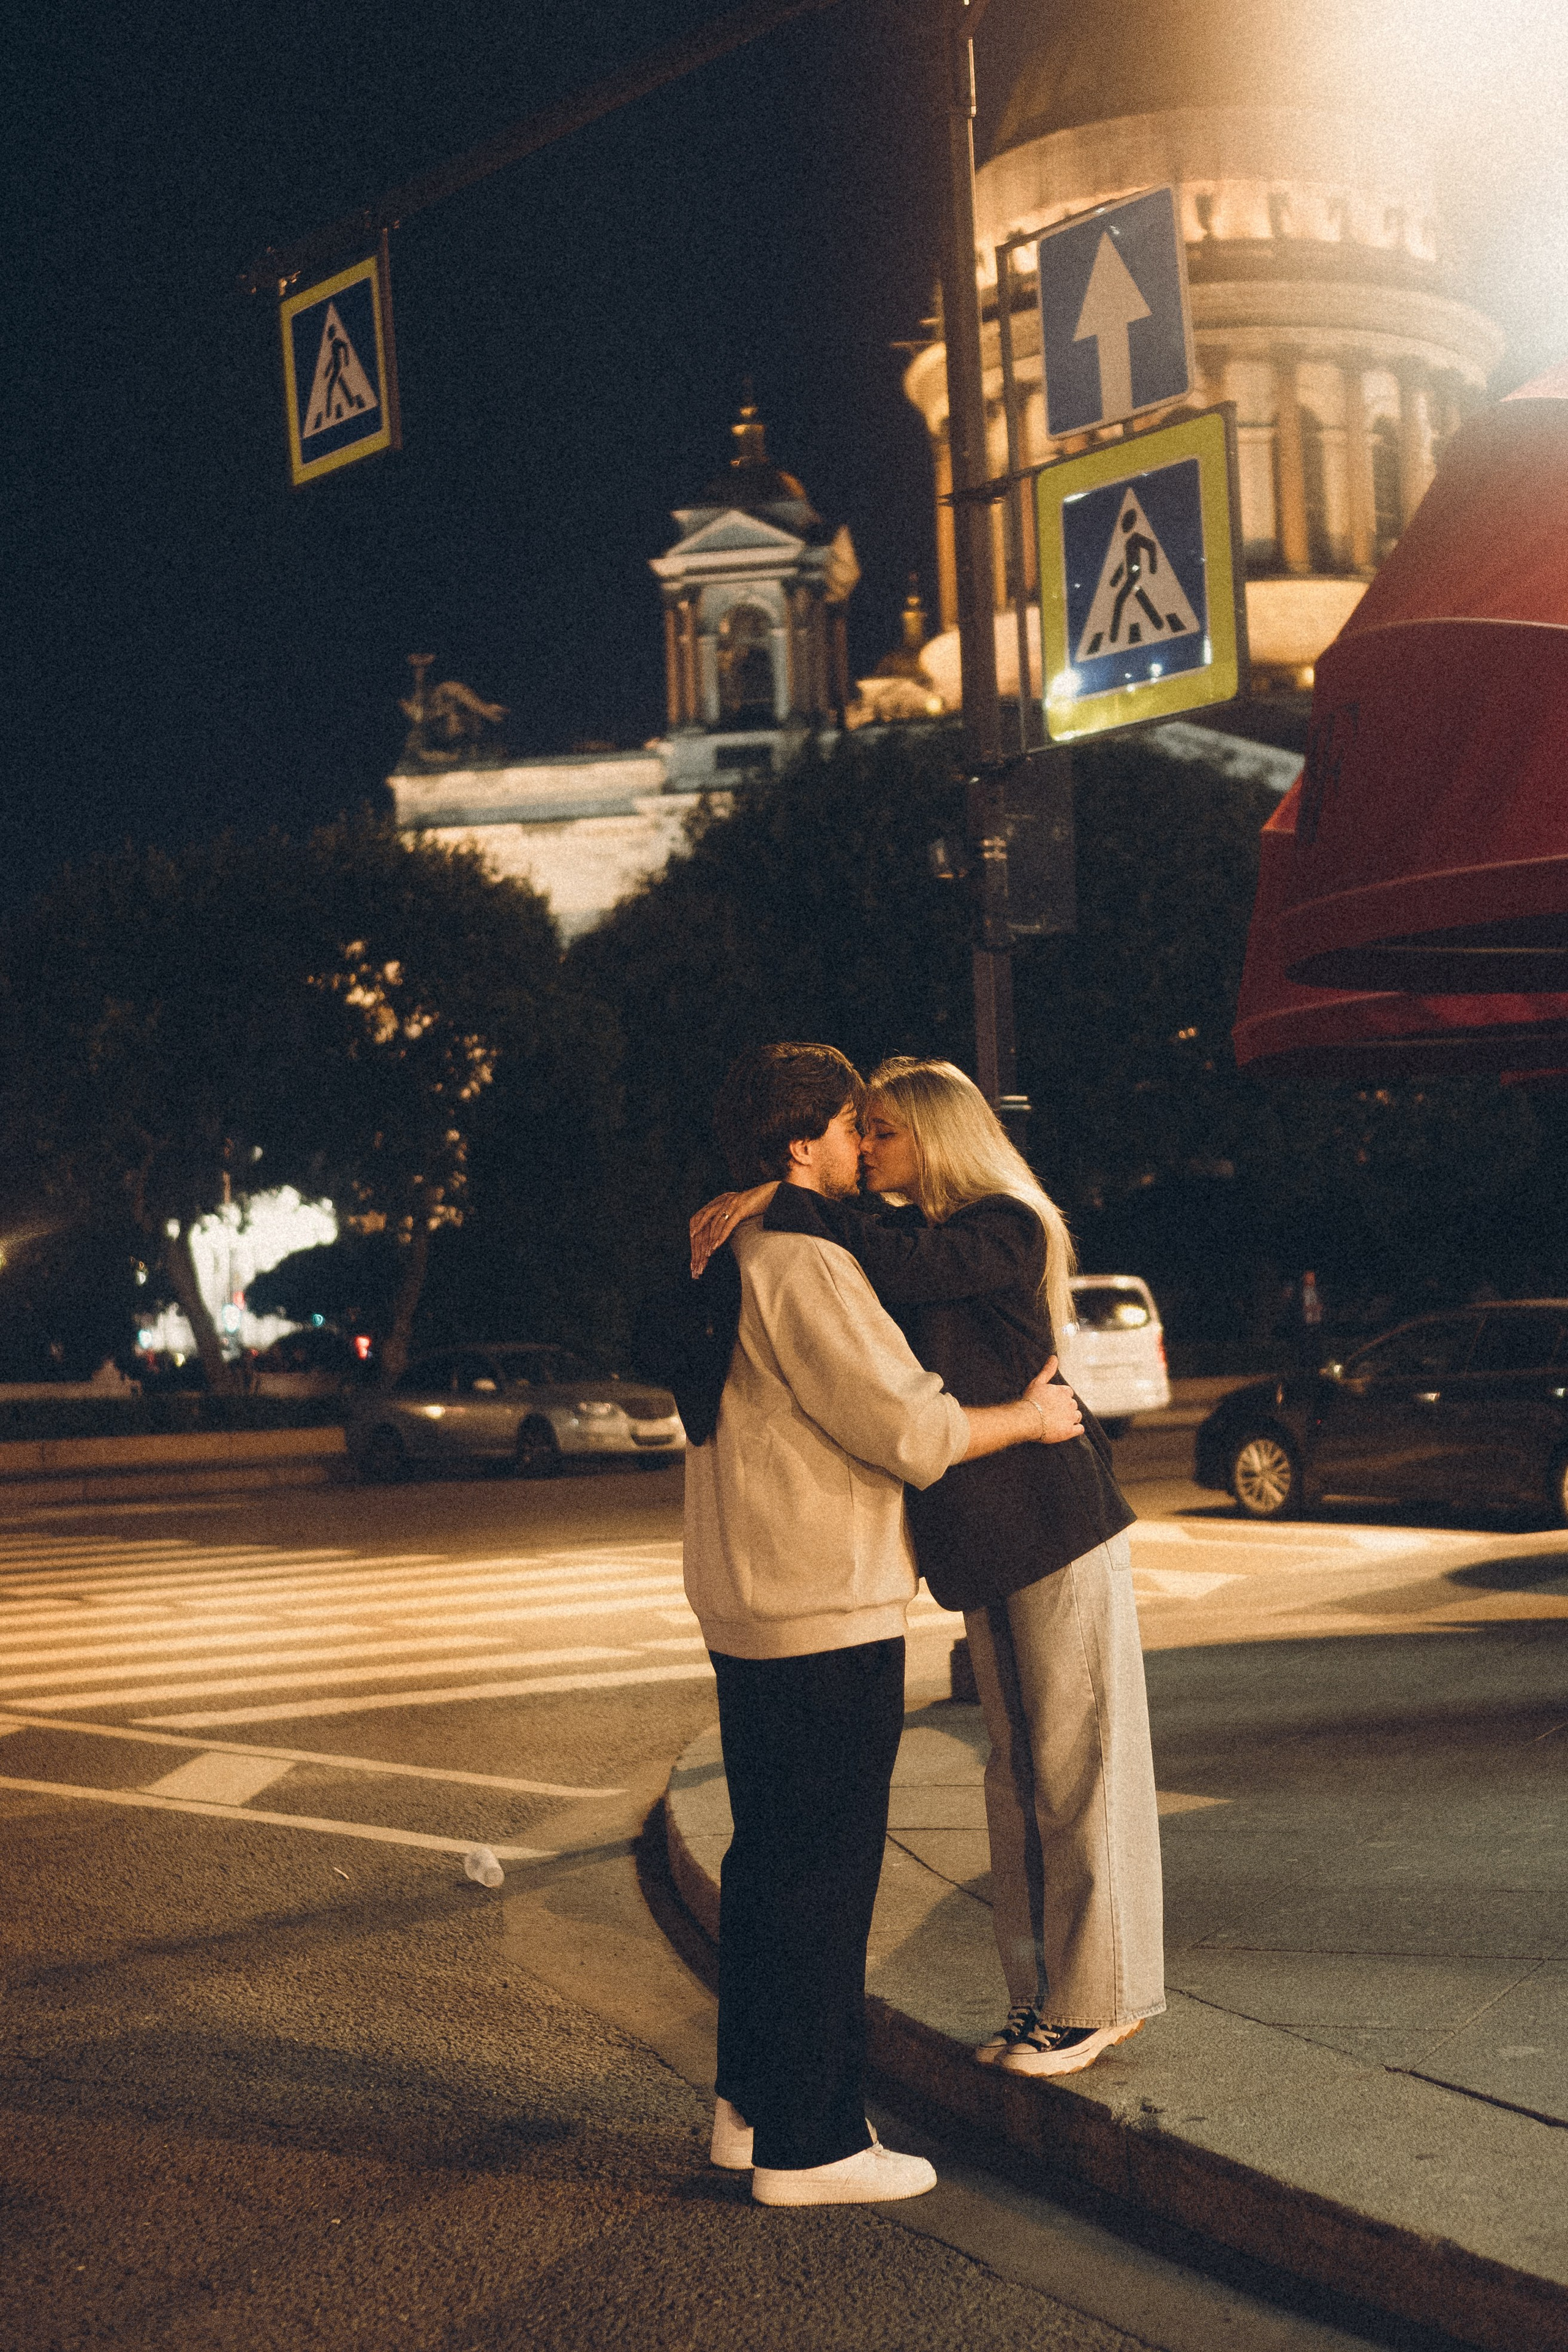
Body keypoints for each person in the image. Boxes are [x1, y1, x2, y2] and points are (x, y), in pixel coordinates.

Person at [692, 1056, 1164, 2081]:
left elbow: (898, 1273)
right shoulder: (898, 1233)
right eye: (858, 1134)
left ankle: (1098, 2000)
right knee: (1023, 1773)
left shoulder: (1004, 1222)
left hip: (1054, 1522)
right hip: (988, 1538)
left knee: (1075, 1770)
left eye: (884, 1134)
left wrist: (780, 1194)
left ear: (939, 1138)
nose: (866, 1151)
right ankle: (1046, 1998)